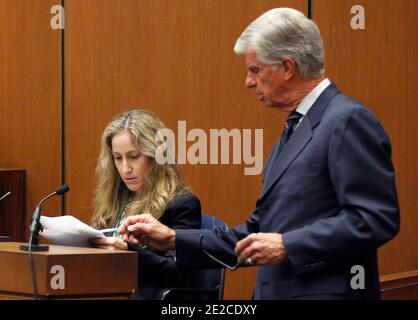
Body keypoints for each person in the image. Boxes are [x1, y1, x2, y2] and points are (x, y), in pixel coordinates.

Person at [119, 8, 400, 299]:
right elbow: (256, 233)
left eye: (255, 70)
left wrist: (289, 246)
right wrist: (174, 239)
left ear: (287, 67)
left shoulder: (346, 120)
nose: (248, 82)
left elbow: (375, 219)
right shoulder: (295, 129)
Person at [89, 109, 201, 299]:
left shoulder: (181, 203)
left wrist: (130, 253)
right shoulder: (115, 201)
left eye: (134, 156)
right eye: (118, 158)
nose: (125, 168)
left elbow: (180, 273)